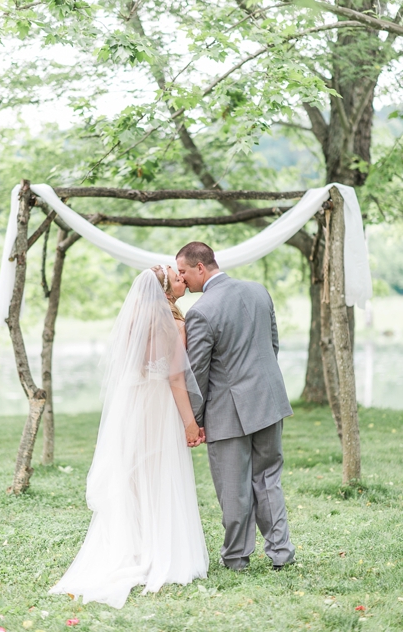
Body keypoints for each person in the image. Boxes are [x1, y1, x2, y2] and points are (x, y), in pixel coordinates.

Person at [49, 267, 208, 609]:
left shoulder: (133, 324)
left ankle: (134, 547)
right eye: (176, 277)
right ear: (165, 291)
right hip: (159, 407)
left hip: (132, 405)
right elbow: (176, 381)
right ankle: (158, 551)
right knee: (159, 476)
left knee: (133, 477)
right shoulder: (174, 325)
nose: (182, 279)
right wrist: (190, 424)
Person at [176, 241, 295, 572]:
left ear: (201, 267)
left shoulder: (201, 311)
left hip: (229, 413)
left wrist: (195, 420)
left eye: (184, 272)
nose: (182, 280)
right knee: (269, 479)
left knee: (234, 488)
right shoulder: (259, 291)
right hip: (270, 400)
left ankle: (236, 558)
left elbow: (197, 373)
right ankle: (281, 553)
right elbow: (272, 346)